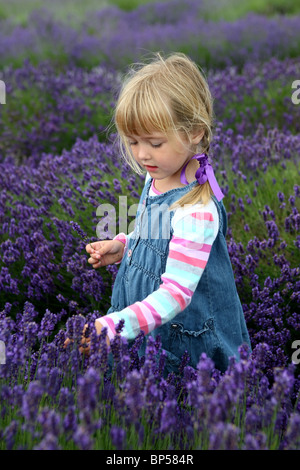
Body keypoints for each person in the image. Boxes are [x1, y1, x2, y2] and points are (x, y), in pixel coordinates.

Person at [82, 52, 251, 374]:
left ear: (195, 133)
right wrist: (124, 245)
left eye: (155, 143)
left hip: (184, 337)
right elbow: (155, 231)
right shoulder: (157, 176)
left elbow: (176, 293)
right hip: (145, 319)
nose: (142, 154)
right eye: (132, 142)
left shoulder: (197, 211)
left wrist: (114, 327)